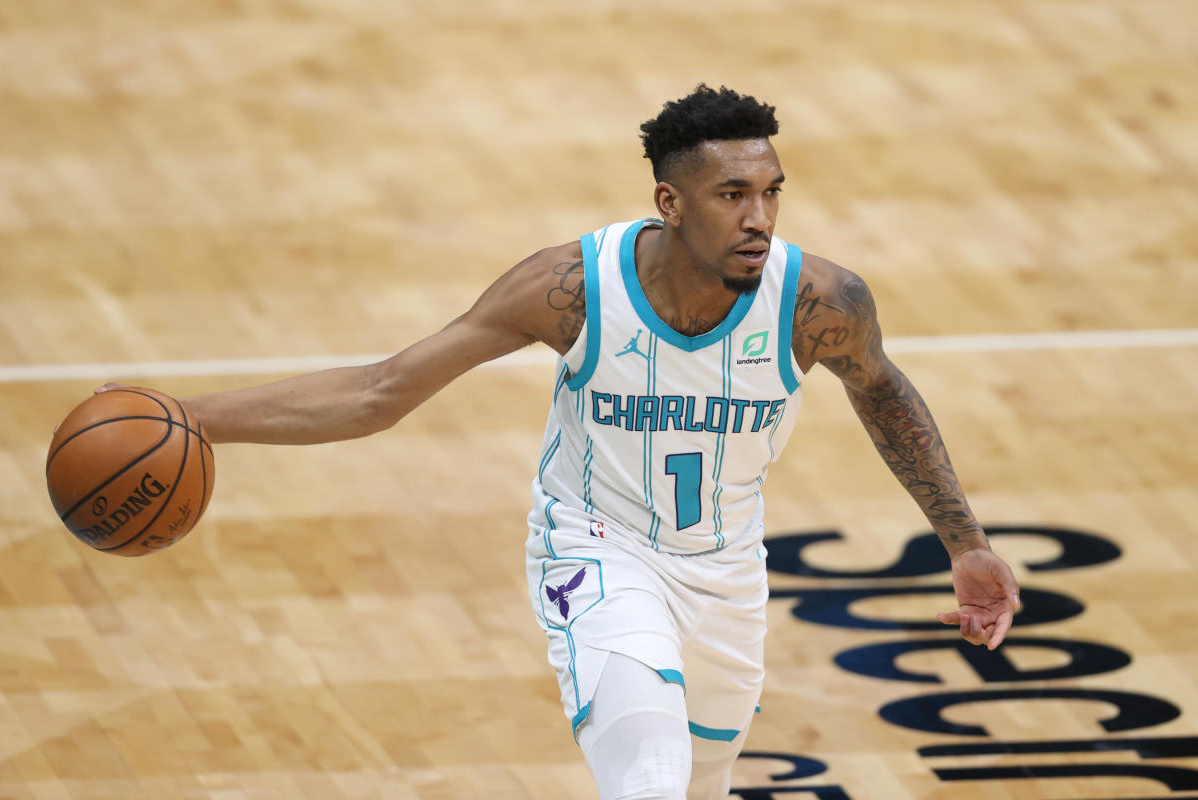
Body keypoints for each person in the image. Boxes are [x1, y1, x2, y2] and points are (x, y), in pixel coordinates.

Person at [119, 85, 1021, 799]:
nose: (761, 218)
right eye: (732, 194)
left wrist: (965, 542)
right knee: (650, 780)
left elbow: (884, 393)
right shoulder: (573, 288)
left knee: (700, 786)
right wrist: (196, 418)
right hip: (595, 550)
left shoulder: (820, 302)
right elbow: (379, 392)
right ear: (670, 201)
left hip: (728, 572)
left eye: (771, 192)